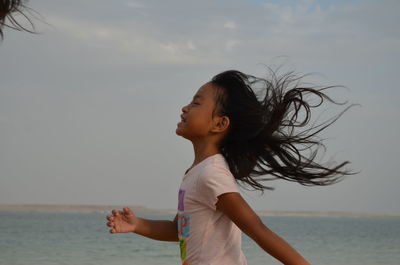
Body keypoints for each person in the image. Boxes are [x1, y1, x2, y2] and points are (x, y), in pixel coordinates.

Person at [106, 69, 357, 265]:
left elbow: (256, 229)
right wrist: (137, 225)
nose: (185, 107)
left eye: (196, 103)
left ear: (219, 124)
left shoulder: (212, 174)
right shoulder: (196, 173)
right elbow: (179, 230)